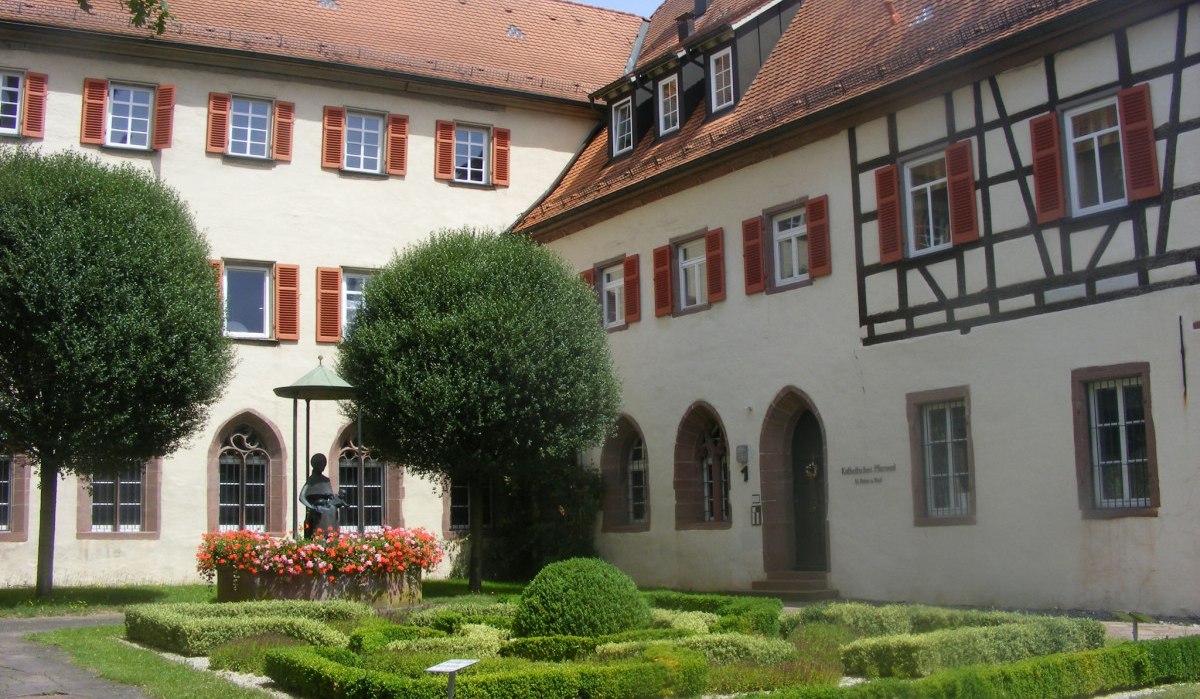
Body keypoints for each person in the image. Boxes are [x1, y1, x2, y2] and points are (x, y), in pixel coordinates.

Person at [299, 453, 344, 538]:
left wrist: (334, 497)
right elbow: (302, 497)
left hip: (327, 505)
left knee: (333, 509)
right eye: (321, 464)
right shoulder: (312, 480)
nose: (323, 467)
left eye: (324, 464)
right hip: (316, 507)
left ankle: (331, 537)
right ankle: (320, 536)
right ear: (316, 465)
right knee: (321, 511)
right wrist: (311, 507)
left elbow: (332, 496)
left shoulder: (326, 480)